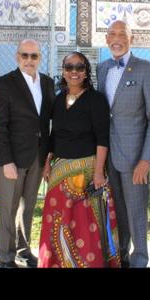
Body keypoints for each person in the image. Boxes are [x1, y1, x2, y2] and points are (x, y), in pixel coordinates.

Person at [38, 53, 120, 268]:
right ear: (63, 71)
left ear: (86, 72)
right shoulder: (58, 99)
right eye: (69, 67)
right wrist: (47, 161)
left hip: (87, 171)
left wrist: (99, 172)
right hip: (59, 171)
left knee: (84, 223)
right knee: (57, 219)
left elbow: (102, 138)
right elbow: (54, 134)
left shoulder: (96, 100)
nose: (74, 72)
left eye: (79, 67)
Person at [97, 20, 150, 269]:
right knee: (117, 211)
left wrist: (146, 159)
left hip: (135, 157)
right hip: (108, 156)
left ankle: (140, 260)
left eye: (122, 35)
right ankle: (121, 257)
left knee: (136, 213)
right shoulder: (102, 68)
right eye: (112, 34)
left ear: (131, 39)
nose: (117, 39)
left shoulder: (147, 69)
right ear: (106, 39)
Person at [0, 39, 55, 268]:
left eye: (34, 56)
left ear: (40, 58)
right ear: (17, 56)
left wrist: (49, 156)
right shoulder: (5, 83)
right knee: (8, 208)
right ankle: (6, 256)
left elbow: (48, 120)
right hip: (13, 158)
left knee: (28, 207)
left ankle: (23, 250)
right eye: (24, 55)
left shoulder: (47, 83)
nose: (29, 60)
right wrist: (6, 160)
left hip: (38, 156)